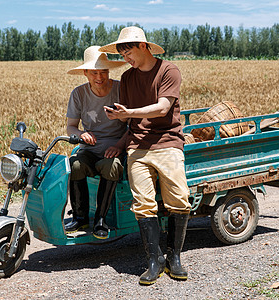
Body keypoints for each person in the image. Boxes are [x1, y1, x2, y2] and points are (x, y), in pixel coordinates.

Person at [99, 26, 192, 285]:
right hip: (137, 146)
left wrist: (128, 113)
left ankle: (175, 258)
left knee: (180, 200)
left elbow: (163, 108)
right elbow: (129, 120)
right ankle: (155, 260)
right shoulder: (128, 78)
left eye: (128, 52)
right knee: (143, 204)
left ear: (143, 46)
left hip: (168, 142)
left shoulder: (168, 70)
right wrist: (121, 141)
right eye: (122, 53)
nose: (125, 58)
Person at [64, 46, 127, 239]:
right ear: (86, 73)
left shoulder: (120, 90)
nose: (99, 77)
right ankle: (80, 217)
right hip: (89, 150)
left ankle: (101, 220)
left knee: (112, 167)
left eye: (103, 72)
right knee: (74, 165)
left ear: (109, 71)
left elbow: (134, 125)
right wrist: (82, 134)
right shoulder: (79, 94)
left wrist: (118, 146)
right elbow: (71, 127)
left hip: (114, 148)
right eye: (94, 73)